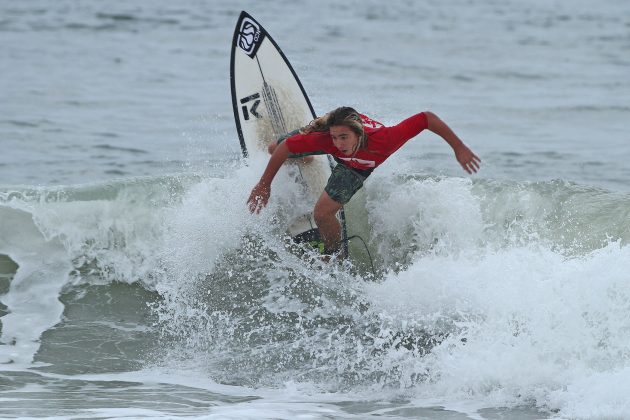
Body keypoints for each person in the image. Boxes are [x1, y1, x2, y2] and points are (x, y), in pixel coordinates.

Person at [247, 107, 480, 255]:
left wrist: (458, 147)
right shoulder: (327, 139)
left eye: (344, 137)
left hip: (356, 169)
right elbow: (286, 147)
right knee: (274, 149)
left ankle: (331, 252)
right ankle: (307, 156)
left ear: (359, 135)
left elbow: (426, 118)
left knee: (322, 215)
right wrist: (264, 184)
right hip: (324, 139)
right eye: (335, 137)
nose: (339, 143)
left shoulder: (386, 139)